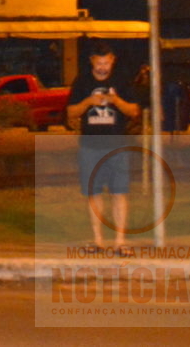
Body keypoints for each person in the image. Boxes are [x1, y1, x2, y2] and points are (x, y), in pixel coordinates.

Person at [65, 41, 140, 256]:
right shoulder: (82, 81)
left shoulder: (121, 80)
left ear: (112, 60)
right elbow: (71, 112)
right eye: (99, 63)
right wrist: (89, 101)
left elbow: (134, 111)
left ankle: (120, 241)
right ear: (92, 61)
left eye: (106, 63)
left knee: (119, 192)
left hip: (117, 146)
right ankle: (98, 240)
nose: (103, 67)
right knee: (93, 192)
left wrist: (116, 101)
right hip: (90, 146)